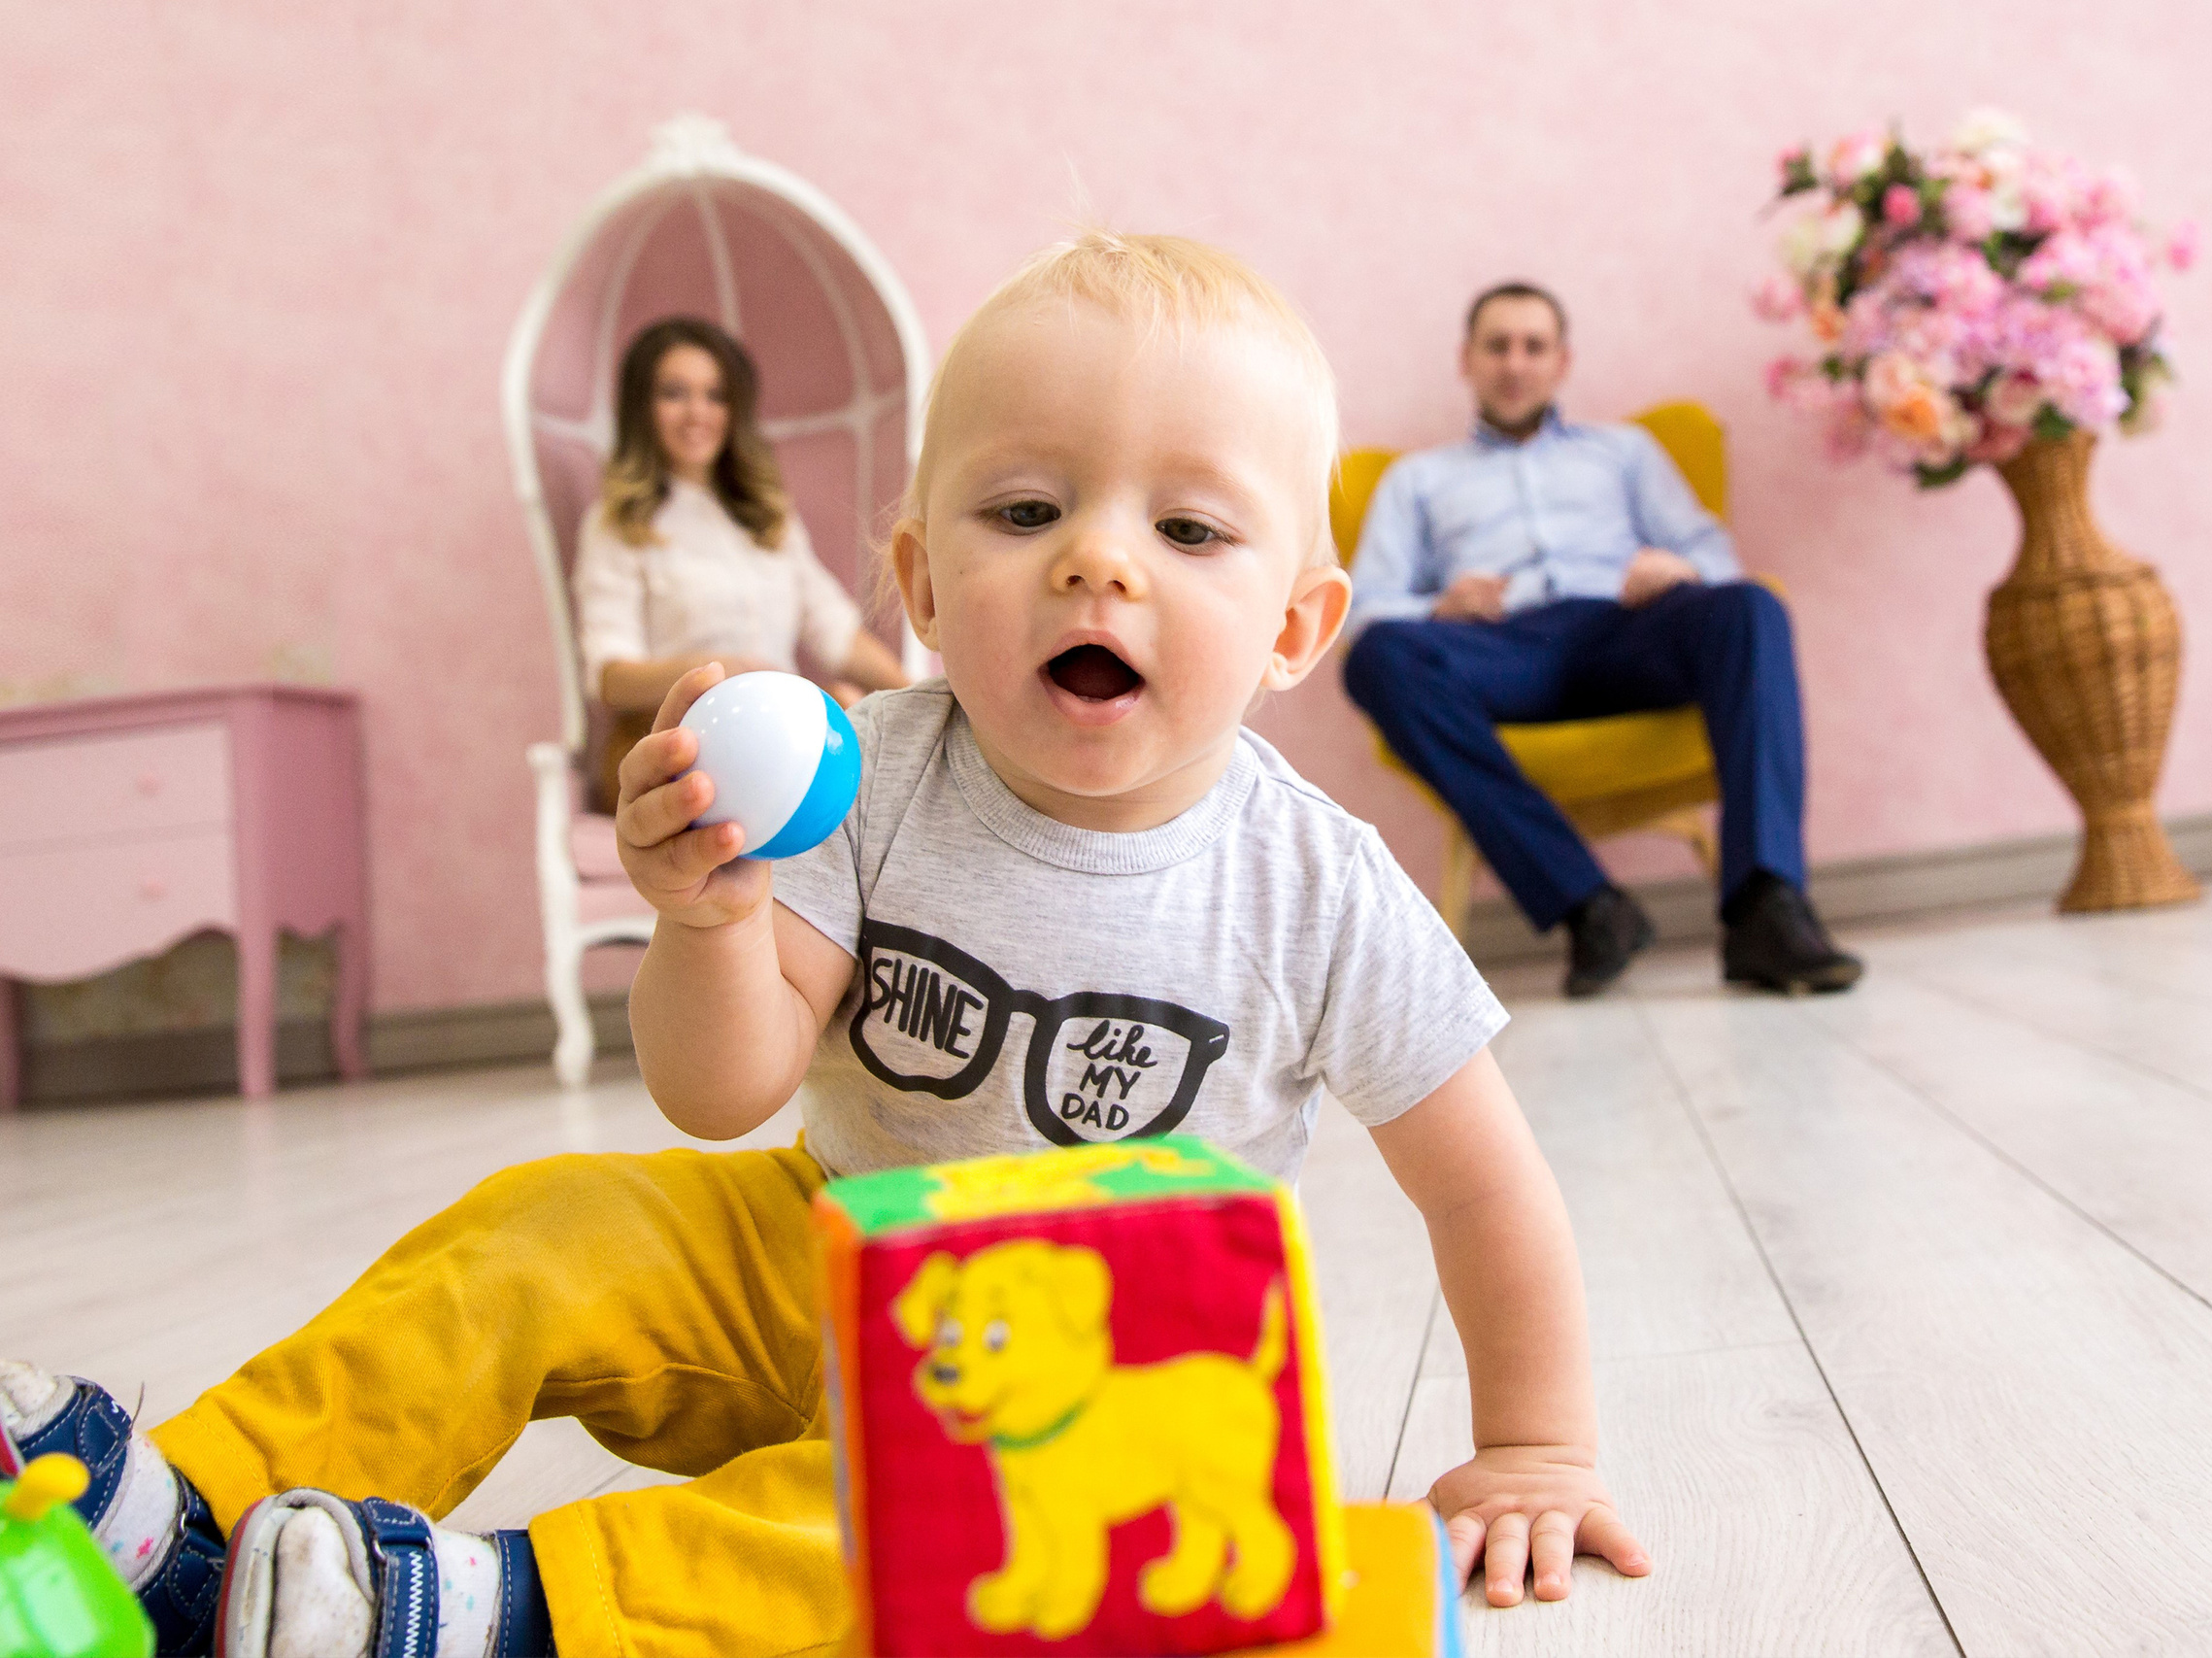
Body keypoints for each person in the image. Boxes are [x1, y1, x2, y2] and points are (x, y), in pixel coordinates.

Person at [4, 235, 1647, 1658]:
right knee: (543, 1224)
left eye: (1193, 533)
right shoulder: (869, 775)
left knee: (904, 1533)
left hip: (1089, 1370)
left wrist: (1542, 1447)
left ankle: (496, 1609)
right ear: (925, 586)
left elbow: (1483, 1185)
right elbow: (724, 1094)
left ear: (1296, 626)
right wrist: (710, 915)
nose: (1097, 556)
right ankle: (182, 1516)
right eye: (1025, 506)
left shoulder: (1319, 886)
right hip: (818, 1246)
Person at [1344, 283, 1864, 998]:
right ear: (1467, 360)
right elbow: (1366, 609)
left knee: (1750, 608)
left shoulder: (1624, 453)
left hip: (1624, 630)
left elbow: (1711, 553)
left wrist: (1678, 567)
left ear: (1563, 361)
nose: (1515, 364)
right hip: (1500, 649)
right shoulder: (1417, 480)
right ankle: (1589, 905)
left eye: (1534, 346)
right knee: (1378, 658)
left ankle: (1765, 907)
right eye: (1498, 346)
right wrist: (1439, 605)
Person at [572, 316, 910, 811]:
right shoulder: (617, 524)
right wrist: (711, 670)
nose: (697, 412)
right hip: (680, 737)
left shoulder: (766, 516)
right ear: (641, 407)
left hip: (772, 728)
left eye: (715, 395)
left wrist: (925, 697)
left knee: (851, 703)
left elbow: (834, 630)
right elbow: (610, 679)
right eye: (674, 393)